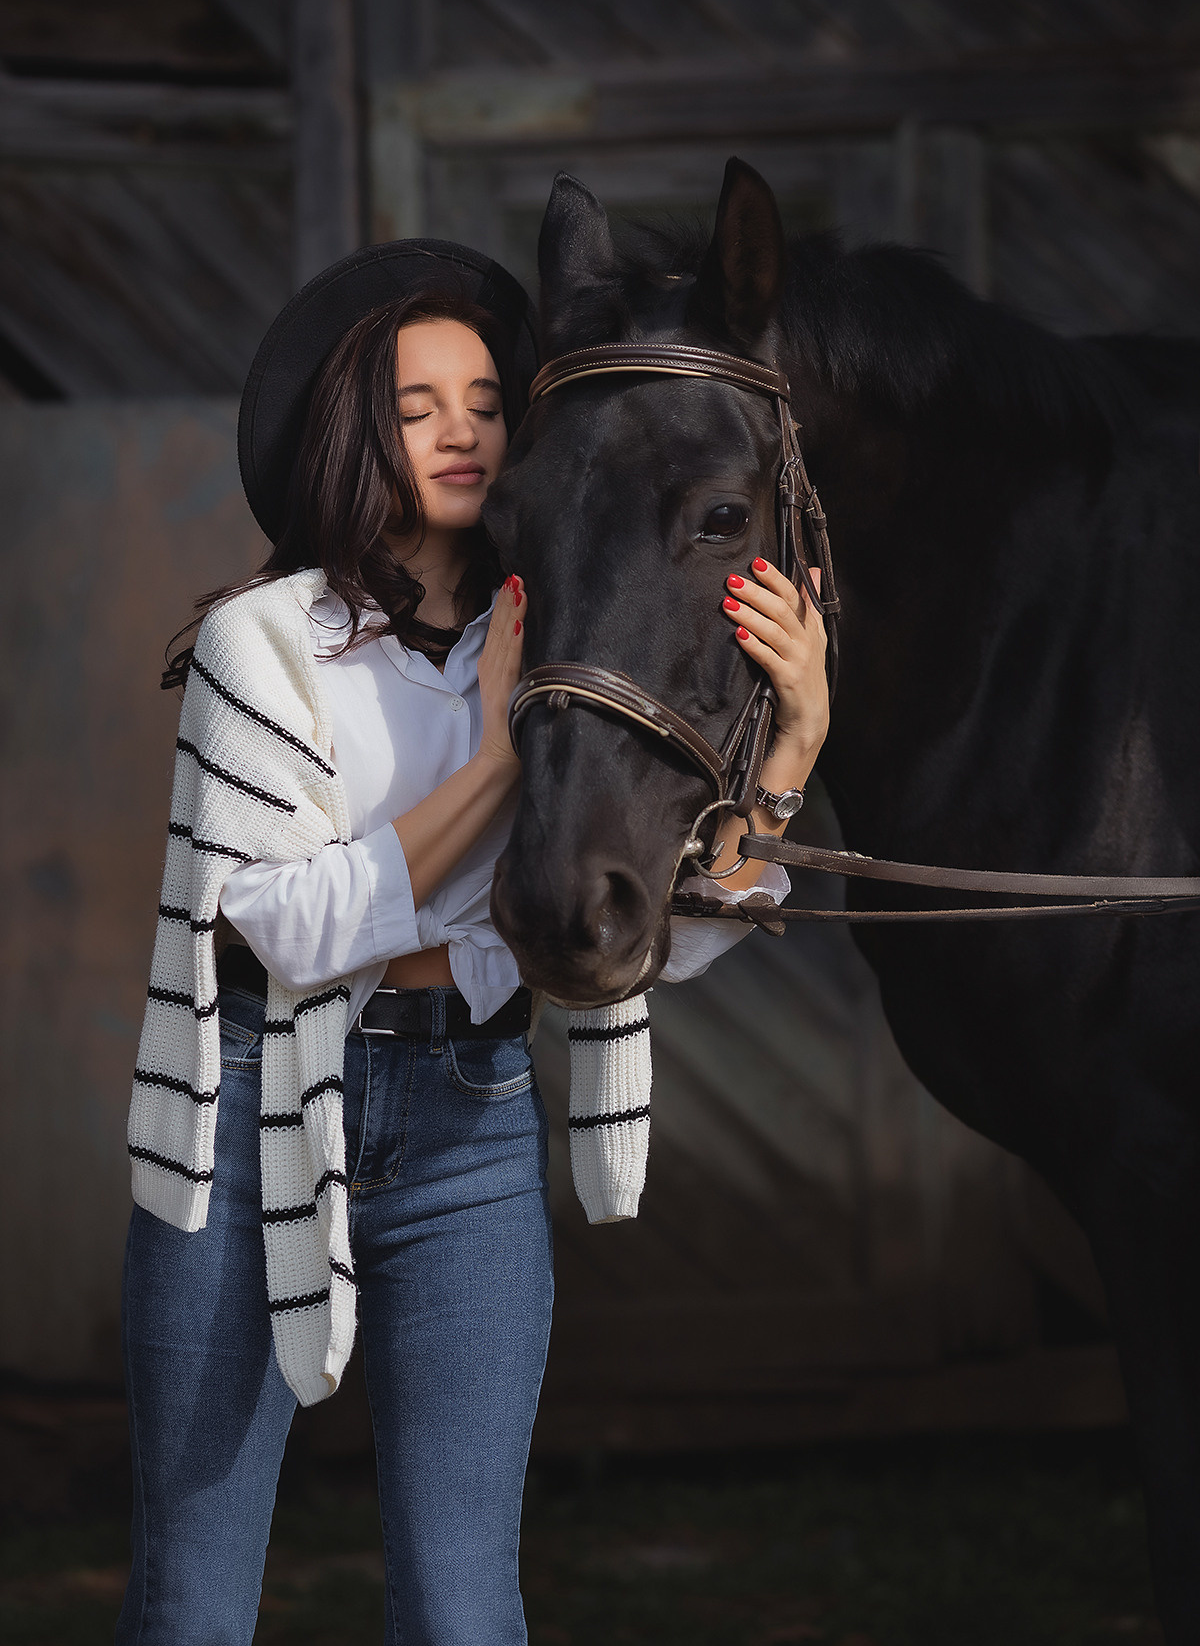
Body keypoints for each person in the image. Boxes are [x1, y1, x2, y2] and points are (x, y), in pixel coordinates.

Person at [117, 238, 829, 1646]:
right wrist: (506, 756)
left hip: (470, 1117)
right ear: (355, 428)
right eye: (416, 403)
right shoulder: (262, 647)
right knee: (195, 1604)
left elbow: (649, 944)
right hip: (255, 1108)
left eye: (487, 401)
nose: (460, 432)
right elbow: (285, 920)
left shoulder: (561, 640)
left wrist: (792, 750)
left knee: (463, 1606)